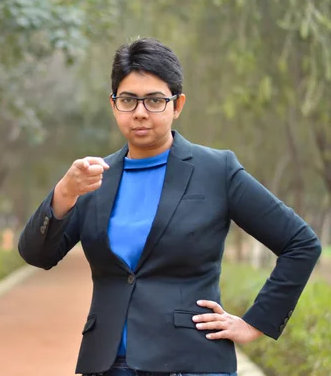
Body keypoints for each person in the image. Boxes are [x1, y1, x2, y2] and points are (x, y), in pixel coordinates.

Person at [18, 37, 322, 376]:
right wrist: (64, 193)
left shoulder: (216, 171)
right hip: (106, 364)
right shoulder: (93, 179)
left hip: (190, 362)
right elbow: (37, 255)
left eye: (155, 100)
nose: (141, 112)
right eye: (129, 100)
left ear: (177, 105)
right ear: (114, 104)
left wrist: (255, 323)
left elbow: (300, 243)